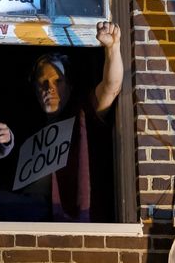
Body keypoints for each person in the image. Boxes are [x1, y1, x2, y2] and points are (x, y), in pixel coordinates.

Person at [18, 21, 123, 222]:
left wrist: (112, 48)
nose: (49, 88)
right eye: (43, 82)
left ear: (70, 86)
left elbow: (112, 86)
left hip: (76, 226)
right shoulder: (31, 133)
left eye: (58, 81)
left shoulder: (82, 115)